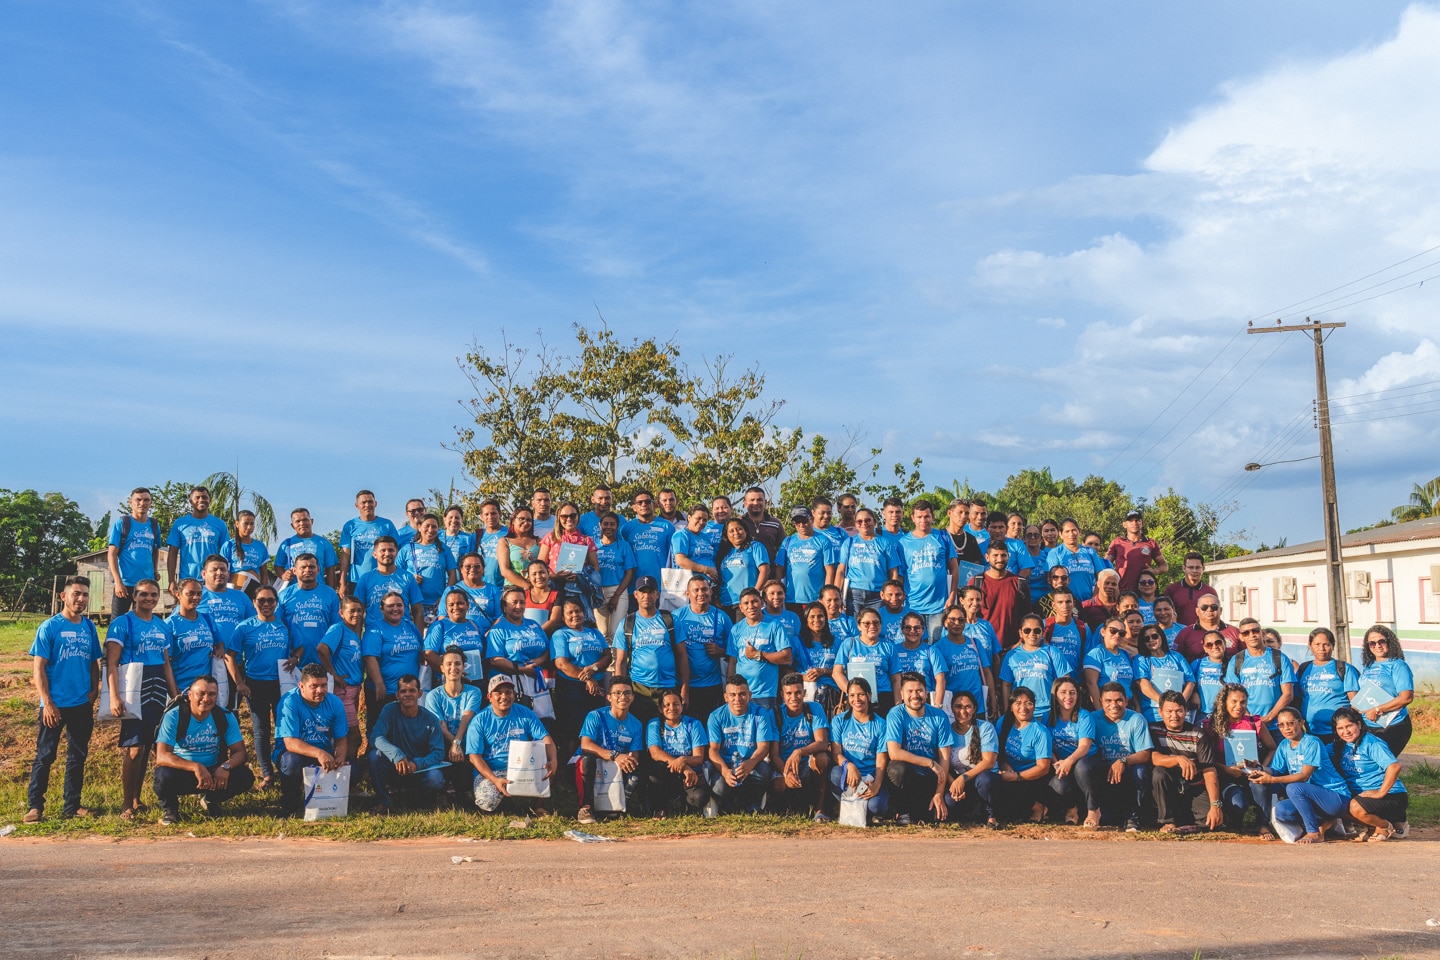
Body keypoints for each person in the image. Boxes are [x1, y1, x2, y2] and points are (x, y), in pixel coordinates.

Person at [26, 576, 102, 823]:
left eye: (85, 595)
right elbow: (39, 668)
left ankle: (72, 805)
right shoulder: (50, 627)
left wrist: (94, 689)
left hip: (81, 704)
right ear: (64, 596)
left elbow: (94, 662)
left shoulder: (89, 627)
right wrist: (47, 702)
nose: (81, 599)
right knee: (46, 755)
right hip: (54, 706)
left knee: (77, 756)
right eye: (76, 594)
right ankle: (35, 806)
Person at [105, 579, 177, 818]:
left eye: (154, 595)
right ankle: (126, 804)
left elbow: (166, 664)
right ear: (134, 596)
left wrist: (175, 695)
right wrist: (114, 697)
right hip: (134, 687)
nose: (149, 599)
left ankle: (137, 799)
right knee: (135, 748)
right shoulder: (122, 623)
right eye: (144, 594)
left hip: (158, 689)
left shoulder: (162, 625)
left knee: (149, 746)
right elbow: (112, 663)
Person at [153, 674, 254, 824]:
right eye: (201, 694)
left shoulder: (224, 716)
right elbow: (162, 756)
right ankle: (170, 810)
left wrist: (226, 766)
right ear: (190, 695)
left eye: (212, 694)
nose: (206, 699)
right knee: (162, 776)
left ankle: (211, 800)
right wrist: (195, 767)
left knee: (245, 776)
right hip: (183, 772)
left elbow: (240, 752)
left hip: (214, 772)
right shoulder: (174, 715)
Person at [227, 585, 294, 790]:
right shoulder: (245, 627)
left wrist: (296, 657)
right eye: (261, 600)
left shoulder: (284, 625)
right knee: (261, 730)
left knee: (284, 729)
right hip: (255, 684)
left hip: (281, 683)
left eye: (271, 601)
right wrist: (239, 682)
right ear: (254, 602)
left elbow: (296, 647)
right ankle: (267, 775)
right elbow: (231, 656)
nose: (266, 604)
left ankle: (286, 771)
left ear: (276, 603)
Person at [1252, 706, 1351, 843]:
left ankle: (1314, 832)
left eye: (1290, 723)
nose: (1286, 728)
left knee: (1293, 788)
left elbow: (1305, 776)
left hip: (1335, 796)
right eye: (1281, 725)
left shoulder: (1312, 742)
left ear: (1301, 723)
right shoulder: (1284, 745)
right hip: (1310, 797)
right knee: (1282, 811)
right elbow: (1275, 770)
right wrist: (1258, 768)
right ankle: (1328, 822)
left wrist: (1272, 779)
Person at [464, 675, 557, 813]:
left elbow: (546, 738)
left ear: (514, 694)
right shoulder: (479, 721)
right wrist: (495, 779)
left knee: (548, 768)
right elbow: (474, 757)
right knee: (487, 802)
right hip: (492, 771)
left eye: (508, 692)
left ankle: (538, 806)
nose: (504, 697)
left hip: (523, 768)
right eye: (498, 693)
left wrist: (553, 760)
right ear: (489, 697)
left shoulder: (525, 713)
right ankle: (495, 801)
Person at [274, 664, 350, 817]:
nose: (320, 690)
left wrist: (340, 757)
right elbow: (290, 742)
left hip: (323, 753)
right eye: (314, 686)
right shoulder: (289, 701)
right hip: (293, 753)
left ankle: (329, 801)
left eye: (323, 685)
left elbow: (341, 738)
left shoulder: (335, 702)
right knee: (291, 762)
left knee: (352, 770)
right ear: (301, 686)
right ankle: (290, 806)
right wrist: (319, 753)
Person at [612, 576, 688, 725]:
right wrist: (620, 693)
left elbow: (682, 656)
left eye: (650, 592)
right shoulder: (627, 623)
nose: (646, 596)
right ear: (635, 595)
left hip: (668, 687)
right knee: (640, 731)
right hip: (639, 688)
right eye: (642, 592)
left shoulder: (670, 620)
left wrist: (685, 690)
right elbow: (620, 661)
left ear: (657, 594)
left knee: (667, 731)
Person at [1148, 690, 1225, 834]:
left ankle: (1187, 821)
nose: (1174, 716)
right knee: (1159, 772)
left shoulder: (1199, 734)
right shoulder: (1153, 729)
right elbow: (1153, 757)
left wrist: (1215, 805)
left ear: (1186, 711)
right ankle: (1168, 821)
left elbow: (1209, 770)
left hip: (1194, 786)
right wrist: (1178, 759)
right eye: (1169, 711)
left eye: (1179, 711)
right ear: (1160, 711)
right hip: (1168, 787)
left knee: (1210, 823)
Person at [368, 675, 446, 815]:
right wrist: (396, 755)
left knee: (435, 778)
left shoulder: (431, 719)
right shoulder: (389, 710)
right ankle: (382, 801)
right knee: (375, 756)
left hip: (419, 769)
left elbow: (438, 753)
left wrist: (417, 763)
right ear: (397, 695)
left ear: (420, 693)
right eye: (403, 691)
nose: (408, 694)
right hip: (395, 767)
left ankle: (422, 801)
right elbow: (376, 737)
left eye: (412, 690)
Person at [883, 672, 954, 824]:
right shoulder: (895, 714)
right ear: (901, 694)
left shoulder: (939, 716)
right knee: (897, 768)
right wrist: (929, 762)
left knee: (944, 810)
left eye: (919, 691)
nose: (915, 695)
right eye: (910, 691)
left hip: (931, 777)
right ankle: (902, 811)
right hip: (907, 777)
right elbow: (894, 752)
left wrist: (939, 794)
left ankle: (923, 808)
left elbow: (945, 758)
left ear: (927, 693)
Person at [1331, 705, 1407, 842]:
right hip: (1363, 796)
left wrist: (1381, 792)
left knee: (1354, 807)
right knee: (1336, 806)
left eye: (1349, 726)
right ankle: (1373, 826)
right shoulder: (1339, 745)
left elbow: (1394, 767)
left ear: (1359, 724)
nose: (1345, 731)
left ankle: (1384, 826)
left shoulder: (1372, 743)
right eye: (1340, 728)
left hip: (1391, 796)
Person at [575, 676, 646, 823]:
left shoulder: (636, 724)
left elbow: (635, 754)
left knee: (638, 766)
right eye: (617, 693)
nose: (623, 697)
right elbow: (586, 745)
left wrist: (629, 760)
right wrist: (615, 755)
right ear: (609, 697)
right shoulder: (596, 715)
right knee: (588, 760)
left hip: (614, 768)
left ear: (632, 697)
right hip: (587, 764)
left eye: (627, 693)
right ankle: (585, 807)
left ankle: (623, 803)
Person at [1206, 683, 1277, 829]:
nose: (1239, 706)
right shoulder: (1212, 725)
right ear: (1224, 702)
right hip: (1226, 775)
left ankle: (1263, 825)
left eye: (1243, 702)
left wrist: (1261, 767)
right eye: (1234, 701)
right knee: (1238, 803)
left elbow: (1272, 748)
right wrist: (1225, 768)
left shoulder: (1254, 723)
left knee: (1261, 787)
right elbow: (1207, 758)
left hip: (1251, 774)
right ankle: (1233, 821)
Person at [551, 597, 613, 759]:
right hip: (572, 688)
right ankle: (570, 768)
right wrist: (587, 679)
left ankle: (591, 766)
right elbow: (562, 663)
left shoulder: (594, 632)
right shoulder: (560, 635)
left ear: (584, 613)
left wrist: (592, 670)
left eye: (577, 611)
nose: (574, 615)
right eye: (569, 613)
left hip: (596, 686)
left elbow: (607, 656)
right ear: (563, 617)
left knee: (594, 728)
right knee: (573, 729)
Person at [706, 675, 777, 813]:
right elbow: (713, 750)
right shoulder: (716, 716)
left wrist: (751, 762)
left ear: (750, 695)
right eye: (732, 695)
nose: (737, 699)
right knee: (720, 787)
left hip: (750, 762)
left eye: (742, 694)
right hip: (726, 764)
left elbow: (764, 746)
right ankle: (726, 804)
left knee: (764, 772)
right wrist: (725, 772)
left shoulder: (760, 713)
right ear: (726, 697)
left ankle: (753, 802)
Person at [1090, 681, 1154, 831]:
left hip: (1128, 770)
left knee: (1141, 770)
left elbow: (1145, 754)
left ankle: (1132, 817)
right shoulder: (1093, 718)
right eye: (1108, 701)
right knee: (1084, 767)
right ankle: (1092, 811)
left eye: (1119, 700)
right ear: (1100, 702)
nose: (1114, 705)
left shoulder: (1136, 719)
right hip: (1103, 770)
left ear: (1126, 701)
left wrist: (1123, 760)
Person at [483, 585, 553, 716]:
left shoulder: (534, 624)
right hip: (511, 682)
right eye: (514, 602)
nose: (519, 606)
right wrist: (523, 670)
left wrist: (537, 661)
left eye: (522, 602)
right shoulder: (498, 629)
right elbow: (495, 660)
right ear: (504, 606)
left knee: (542, 719)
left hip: (536, 680)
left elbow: (547, 650)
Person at [424, 646, 483, 801]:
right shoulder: (433, 696)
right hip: (443, 741)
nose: (453, 668)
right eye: (449, 664)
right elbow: (440, 724)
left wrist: (457, 742)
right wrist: (453, 742)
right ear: (442, 668)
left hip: (464, 742)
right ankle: (441, 789)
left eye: (457, 664)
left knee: (470, 745)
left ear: (463, 667)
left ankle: (464, 788)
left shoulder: (473, 692)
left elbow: (467, 718)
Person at [827, 677, 889, 821]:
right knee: (835, 774)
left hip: (870, 778)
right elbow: (836, 753)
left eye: (861, 694)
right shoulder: (839, 720)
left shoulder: (880, 724)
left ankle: (863, 809)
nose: (857, 699)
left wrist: (876, 785)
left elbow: (881, 758)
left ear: (869, 695)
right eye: (852, 695)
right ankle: (851, 807)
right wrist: (849, 765)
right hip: (849, 776)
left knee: (877, 806)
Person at [772, 673, 832, 817]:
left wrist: (799, 752)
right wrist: (787, 773)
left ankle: (820, 808)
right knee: (779, 784)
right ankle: (786, 808)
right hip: (784, 765)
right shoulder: (774, 714)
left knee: (822, 758)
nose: (794, 698)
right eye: (789, 693)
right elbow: (773, 755)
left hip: (806, 765)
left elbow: (822, 742)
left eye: (798, 692)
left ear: (804, 693)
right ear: (782, 695)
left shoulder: (814, 709)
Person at [671, 575, 731, 722]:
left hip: (712, 685)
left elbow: (735, 650)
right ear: (687, 593)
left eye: (704, 589)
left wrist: (720, 651)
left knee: (710, 728)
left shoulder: (721, 617)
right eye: (696, 590)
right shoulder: (677, 617)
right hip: (684, 685)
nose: (700, 593)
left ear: (710, 591)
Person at [362, 591, 424, 732]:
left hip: (408, 691)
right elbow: (370, 658)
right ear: (381, 609)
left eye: (399, 605)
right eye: (390, 606)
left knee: (405, 730)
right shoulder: (375, 629)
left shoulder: (410, 626)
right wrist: (379, 684)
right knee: (382, 730)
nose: (395, 609)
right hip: (385, 691)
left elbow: (422, 651)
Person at [645, 689, 712, 816]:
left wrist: (684, 760)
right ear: (660, 708)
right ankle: (660, 808)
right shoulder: (655, 724)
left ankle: (687, 806)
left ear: (682, 706)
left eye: (676, 704)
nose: (672, 708)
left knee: (699, 798)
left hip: (690, 774)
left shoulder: (693, 724)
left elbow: (698, 757)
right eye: (666, 705)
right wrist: (683, 765)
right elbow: (655, 753)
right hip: (666, 771)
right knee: (655, 772)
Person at [1224, 618, 1296, 733]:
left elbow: (1288, 694)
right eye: (1246, 633)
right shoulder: (1236, 660)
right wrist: (1251, 720)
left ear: (1262, 633)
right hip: (1247, 724)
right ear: (1241, 637)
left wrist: (1269, 718)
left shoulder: (1280, 657)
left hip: (1277, 725)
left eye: (1255, 631)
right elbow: (1233, 695)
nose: (1251, 635)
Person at [727, 587, 793, 713]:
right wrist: (730, 689)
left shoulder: (774, 625)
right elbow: (732, 661)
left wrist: (758, 654)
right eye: (746, 603)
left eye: (754, 602)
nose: (750, 606)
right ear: (741, 608)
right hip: (741, 694)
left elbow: (787, 657)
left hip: (765, 694)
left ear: (762, 603)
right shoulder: (735, 629)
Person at [1046, 676, 1101, 827]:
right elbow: (1046, 745)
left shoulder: (1084, 716)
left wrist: (1069, 761)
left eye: (1072, 692)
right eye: (1063, 692)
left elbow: (1084, 746)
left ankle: (1093, 811)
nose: (1068, 697)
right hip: (1061, 762)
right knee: (1058, 784)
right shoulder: (1047, 717)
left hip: (1086, 760)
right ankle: (1072, 810)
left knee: (1081, 768)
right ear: (1055, 695)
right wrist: (1055, 762)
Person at [318, 596, 366, 766]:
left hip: (353, 690)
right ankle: (347, 774)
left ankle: (345, 775)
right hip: (342, 691)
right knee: (353, 737)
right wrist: (334, 674)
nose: (356, 614)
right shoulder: (338, 628)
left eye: (359, 610)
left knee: (344, 735)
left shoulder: (354, 631)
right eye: (351, 610)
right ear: (341, 613)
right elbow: (322, 649)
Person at [994, 687, 1054, 824]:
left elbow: (1043, 768)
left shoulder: (1041, 732)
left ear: (1034, 707)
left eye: (1028, 703)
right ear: (1011, 707)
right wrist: (1003, 763)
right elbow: (997, 750)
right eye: (1018, 703)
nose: (1023, 707)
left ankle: (1038, 806)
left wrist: (1016, 777)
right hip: (1007, 772)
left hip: (1031, 778)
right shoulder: (1003, 722)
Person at [944, 689, 999, 826]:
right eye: (958, 707)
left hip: (983, 780)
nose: (963, 711)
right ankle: (970, 812)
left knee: (984, 779)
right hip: (959, 782)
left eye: (967, 707)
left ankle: (991, 815)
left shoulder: (985, 728)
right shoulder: (947, 730)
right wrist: (954, 785)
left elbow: (989, 762)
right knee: (950, 801)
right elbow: (942, 762)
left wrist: (963, 778)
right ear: (951, 708)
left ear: (975, 709)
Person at [1358, 624, 1415, 757]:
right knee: (1370, 764)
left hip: (1394, 724)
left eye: (1381, 641)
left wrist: (1377, 709)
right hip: (1369, 725)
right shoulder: (1369, 667)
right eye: (1372, 643)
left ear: (1390, 641)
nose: (1377, 646)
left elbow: (1406, 697)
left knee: (1384, 764)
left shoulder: (1398, 665)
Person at [999, 614, 1067, 724]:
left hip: (1047, 712)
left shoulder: (1052, 652)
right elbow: (1006, 684)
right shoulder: (1011, 655)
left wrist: (1061, 708)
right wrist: (1008, 709)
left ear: (1043, 632)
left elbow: (1064, 681)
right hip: (1021, 712)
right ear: (1020, 632)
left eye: (1036, 630)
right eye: (1027, 630)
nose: (1032, 634)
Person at [277, 554, 341, 669]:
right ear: (294, 571)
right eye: (303, 567)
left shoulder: (330, 594)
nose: (308, 570)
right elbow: (277, 625)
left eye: (312, 567)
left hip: (324, 661)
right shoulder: (284, 595)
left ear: (318, 569)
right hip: (293, 662)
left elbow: (336, 626)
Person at [1297, 627, 1359, 742]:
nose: (1322, 649)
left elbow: (1356, 703)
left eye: (1326, 644)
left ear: (1333, 645)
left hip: (1339, 733)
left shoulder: (1344, 669)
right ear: (1310, 645)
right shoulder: (1304, 669)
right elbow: (1297, 697)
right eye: (1317, 644)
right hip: (1311, 732)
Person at [106, 487, 161, 616]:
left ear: (150, 503)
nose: (142, 503)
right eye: (138, 500)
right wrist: (118, 582)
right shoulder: (122, 523)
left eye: (146, 500)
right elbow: (112, 553)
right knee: (118, 623)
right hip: (125, 584)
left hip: (145, 585)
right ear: (131, 502)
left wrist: (155, 571)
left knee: (142, 620)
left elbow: (155, 550)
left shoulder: (154, 525)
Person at [933, 604, 994, 718]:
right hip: (954, 706)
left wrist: (993, 700)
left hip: (977, 703)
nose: (957, 623)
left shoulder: (975, 643)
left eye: (961, 620)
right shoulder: (938, 648)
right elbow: (939, 679)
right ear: (945, 622)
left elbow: (986, 672)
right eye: (952, 619)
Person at [775, 506, 838, 617]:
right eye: (797, 522)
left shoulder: (823, 540)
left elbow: (829, 570)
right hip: (792, 598)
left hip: (815, 598)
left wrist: (826, 595)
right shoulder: (788, 541)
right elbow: (779, 569)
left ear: (811, 519)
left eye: (804, 521)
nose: (801, 525)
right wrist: (779, 593)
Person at [353, 536, 424, 633]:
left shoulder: (407, 577)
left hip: (403, 635)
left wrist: (419, 639)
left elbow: (418, 611)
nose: (387, 554)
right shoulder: (365, 579)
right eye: (383, 550)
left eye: (391, 550)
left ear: (396, 553)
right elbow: (358, 613)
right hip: (374, 634)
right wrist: (357, 641)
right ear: (374, 554)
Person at [833, 607, 897, 713]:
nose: (872, 626)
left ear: (881, 625)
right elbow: (837, 673)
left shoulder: (889, 646)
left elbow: (896, 679)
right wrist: (853, 694)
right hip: (856, 701)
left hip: (883, 698)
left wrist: (897, 705)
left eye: (876, 623)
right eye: (866, 623)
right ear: (859, 626)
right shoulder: (849, 644)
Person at [838, 508, 901, 615]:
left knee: (876, 628)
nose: (864, 523)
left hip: (878, 595)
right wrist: (837, 595)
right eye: (860, 521)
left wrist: (892, 593)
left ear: (874, 522)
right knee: (855, 628)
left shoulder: (885, 543)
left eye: (868, 520)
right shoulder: (849, 543)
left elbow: (893, 572)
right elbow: (840, 571)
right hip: (853, 594)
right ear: (856, 524)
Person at [166, 486, 230, 590]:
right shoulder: (180, 524)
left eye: (204, 497)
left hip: (212, 579)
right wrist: (171, 581)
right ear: (191, 501)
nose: (201, 500)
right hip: (187, 579)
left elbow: (226, 554)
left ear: (210, 500)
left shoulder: (220, 524)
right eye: (197, 497)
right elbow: (172, 554)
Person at [397, 513, 457, 623]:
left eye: (434, 527)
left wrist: (445, 597)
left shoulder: (444, 549)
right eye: (427, 526)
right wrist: (410, 578)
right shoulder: (407, 549)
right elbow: (395, 573)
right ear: (419, 527)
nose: (430, 530)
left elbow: (453, 574)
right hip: (413, 602)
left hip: (437, 603)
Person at [165, 578, 223, 693]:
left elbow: (218, 641)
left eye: (199, 594)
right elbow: (166, 663)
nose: (196, 597)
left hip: (205, 690)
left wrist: (220, 649)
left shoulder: (207, 619)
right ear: (178, 595)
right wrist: (175, 694)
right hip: (182, 688)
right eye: (190, 594)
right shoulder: (169, 624)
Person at [338, 490, 399, 595]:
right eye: (363, 502)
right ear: (357, 505)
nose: (367, 505)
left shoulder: (386, 524)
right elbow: (345, 554)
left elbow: (396, 551)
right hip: (357, 579)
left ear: (375, 503)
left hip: (383, 577)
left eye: (370, 502)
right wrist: (342, 582)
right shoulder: (350, 525)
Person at [1133, 624, 1196, 724]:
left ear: (1161, 636)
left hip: (1179, 712)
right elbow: (1143, 685)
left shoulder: (1177, 656)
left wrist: (1180, 702)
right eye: (1146, 639)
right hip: (1155, 713)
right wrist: (1166, 704)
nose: (1151, 640)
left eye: (1154, 636)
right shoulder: (1141, 659)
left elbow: (1190, 681)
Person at [200, 555, 256, 665]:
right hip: (205, 663)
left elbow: (253, 626)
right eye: (214, 570)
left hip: (235, 662)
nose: (219, 573)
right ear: (204, 574)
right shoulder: (196, 596)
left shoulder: (241, 597)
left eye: (223, 569)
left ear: (228, 574)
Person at [421, 589, 487, 680]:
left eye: (460, 603)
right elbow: (429, 654)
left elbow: (483, 652)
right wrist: (453, 671)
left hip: (475, 680)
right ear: (446, 608)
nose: (456, 607)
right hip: (447, 681)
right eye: (451, 604)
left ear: (468, 605)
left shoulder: (475, 625)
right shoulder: (439, 626)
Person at [978, 540, 1030, 650]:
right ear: (987, 557)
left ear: (1008, 556)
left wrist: (1020, 642)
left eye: (1003, 555)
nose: (1000, 559)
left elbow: (1027, 617)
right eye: (995, 555)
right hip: (983, 649)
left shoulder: (1020, 583)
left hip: (1013, 648)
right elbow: (969, 618)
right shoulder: (977, 582)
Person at [715, 517, 770, 618]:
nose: (736, 532)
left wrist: (755, 592)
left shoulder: (755, 546)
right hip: (726, 601)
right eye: (731, 531)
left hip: (746, 603)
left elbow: (765, 570)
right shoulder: (723, 552)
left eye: (739, 529)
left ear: (745, 530)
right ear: (726, 535)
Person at [592, 513, 636, 638]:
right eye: (605, 524)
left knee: (616, 631)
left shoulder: (623, 545)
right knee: (603, 633)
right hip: (598, 592)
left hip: (618, 590)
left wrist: (617, 595)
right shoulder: (593, 546)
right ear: (600, 525)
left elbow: (630, 572)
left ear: (617, 526)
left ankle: (618, 658)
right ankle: (607, 658)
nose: (609, 527)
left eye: (612, 524)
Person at [274, 508, 340, 588]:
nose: (302, 523)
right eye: (297, 521)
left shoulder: (324, 543)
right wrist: (283, 575)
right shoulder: (286, 544)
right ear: (292, 525)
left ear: (311, 521)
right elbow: (278, 566)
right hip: (294, 591)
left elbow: (330, 569)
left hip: (318, 589)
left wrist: (331, 591)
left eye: (305, 520)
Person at [795, 603, 842, 716]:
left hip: (831, 694)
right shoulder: (796, 641)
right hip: (806, 691)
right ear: (806, 620)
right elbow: (785, 669)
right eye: (812, 616)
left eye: (820, 616)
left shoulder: (837, 642)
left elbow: (844, 670)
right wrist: (803, 677)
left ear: (826, 618)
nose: (817, 620)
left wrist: (824, 671)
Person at [1044, 519, 1107, 603]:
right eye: (1067, 531)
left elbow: (1101, 577)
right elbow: (1052, 581)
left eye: (1074, 530)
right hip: (1066, 603)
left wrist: (1094, 598)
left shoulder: (1090, 552)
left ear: (1079, 531)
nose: (1071, 534)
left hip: (1089, 602)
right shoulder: (1055, 553)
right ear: (1060, 534)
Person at [1106, 509, 1167, 592]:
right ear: (1124, 524)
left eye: (1137, 520)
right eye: (1130, 520)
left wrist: (1154, 571)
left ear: (1142, 523)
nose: (1134, 523)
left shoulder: (1151, 543)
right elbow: (1105, 565)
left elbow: (1164, 566)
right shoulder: (1117, 542)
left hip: (1144, 591)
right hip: (1121, 591)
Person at [622, 489, 673, 588]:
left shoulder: (667, 526)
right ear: (634, 507)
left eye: (647, 501)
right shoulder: (626, 529)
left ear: (654, 504)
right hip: (634, 586)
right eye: (640, 502)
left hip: (661, 584)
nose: (644, 504)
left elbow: (672, 556)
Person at [1082, 618, 1133, 709]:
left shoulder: (1125, 654)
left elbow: (1130, 684)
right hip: (1108, 707)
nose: (1117, 635)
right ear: (1103, 631)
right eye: (1113, 631)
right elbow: (1091, 683)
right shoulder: (1096, 654)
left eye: (1121, 633)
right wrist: (1101, 711)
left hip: (1126, 705)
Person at [1173, 594, 1240, 662]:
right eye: (1204, 607)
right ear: (1197, 611)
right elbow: (1175, 658)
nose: (1209, 609)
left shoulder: (1235, 632)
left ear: (1221, 610)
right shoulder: (1185, 633)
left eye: (1214, 607)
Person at [221, 509, 270, 596]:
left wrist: (263, 592)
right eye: (246, 524)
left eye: (252, 524)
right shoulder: (229, 545)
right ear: (237, 524)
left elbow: (264, 572)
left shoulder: (260, 546)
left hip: (254, 590)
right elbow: (222, 569)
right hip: (234, 590)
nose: (249, 527)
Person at [445, 552, 503, 624]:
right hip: (458, 633)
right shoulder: (451, 590)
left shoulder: (494, 590)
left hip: (486, 633)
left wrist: (489, 633)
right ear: (461, 569)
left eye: (477, 566)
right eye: (468, 567)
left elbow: (500, 616)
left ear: (483, 568)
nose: (472, 569)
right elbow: (443, 616)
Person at [1164, 552, 1219, 628]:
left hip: (1202, 634)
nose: (1194, 571)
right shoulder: (1172, 590)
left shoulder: (1210, 592)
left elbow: (1216, 616)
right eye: (1191, 567)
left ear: (1203, 568)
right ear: (1184, 568)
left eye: (1197, 567)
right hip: (1178, 634)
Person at [1043, 588, 1088, 679]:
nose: (1065, 606)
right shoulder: (1044, 626)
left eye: (1068, 602)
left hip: (1074, 683)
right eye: (1060, 602)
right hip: (1049, 681)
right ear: (1053, 605)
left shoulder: (1083, 628)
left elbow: (1088, 657)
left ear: (1074, 604)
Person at [495, 506, 542, 591]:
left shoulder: (539, 541)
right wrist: (527, 586)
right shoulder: (504, 541)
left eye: (529, 520)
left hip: (537, 589)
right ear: (513, 521)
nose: (525, 522)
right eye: (521, 519)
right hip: (513, 589)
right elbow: (504, 570)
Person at [671, 504, 719, 583]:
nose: (701, 522)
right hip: (691, 584)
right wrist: (705, 570)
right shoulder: (681, 535)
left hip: (709, 585)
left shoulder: (705, 537)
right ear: (689, 517)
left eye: (705, 520)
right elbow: (681, 561)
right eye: (698, 518)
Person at [1191, 629, 1229, 718]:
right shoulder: (1197, 664)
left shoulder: (1233, 664)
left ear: (1224, 643)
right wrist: (1194, 694)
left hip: (1225, 716)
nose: (1214, 646)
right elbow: (1188, 683)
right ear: (1205, 648)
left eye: (1218, 642)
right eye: (1209, 645)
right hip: (1201, 716)